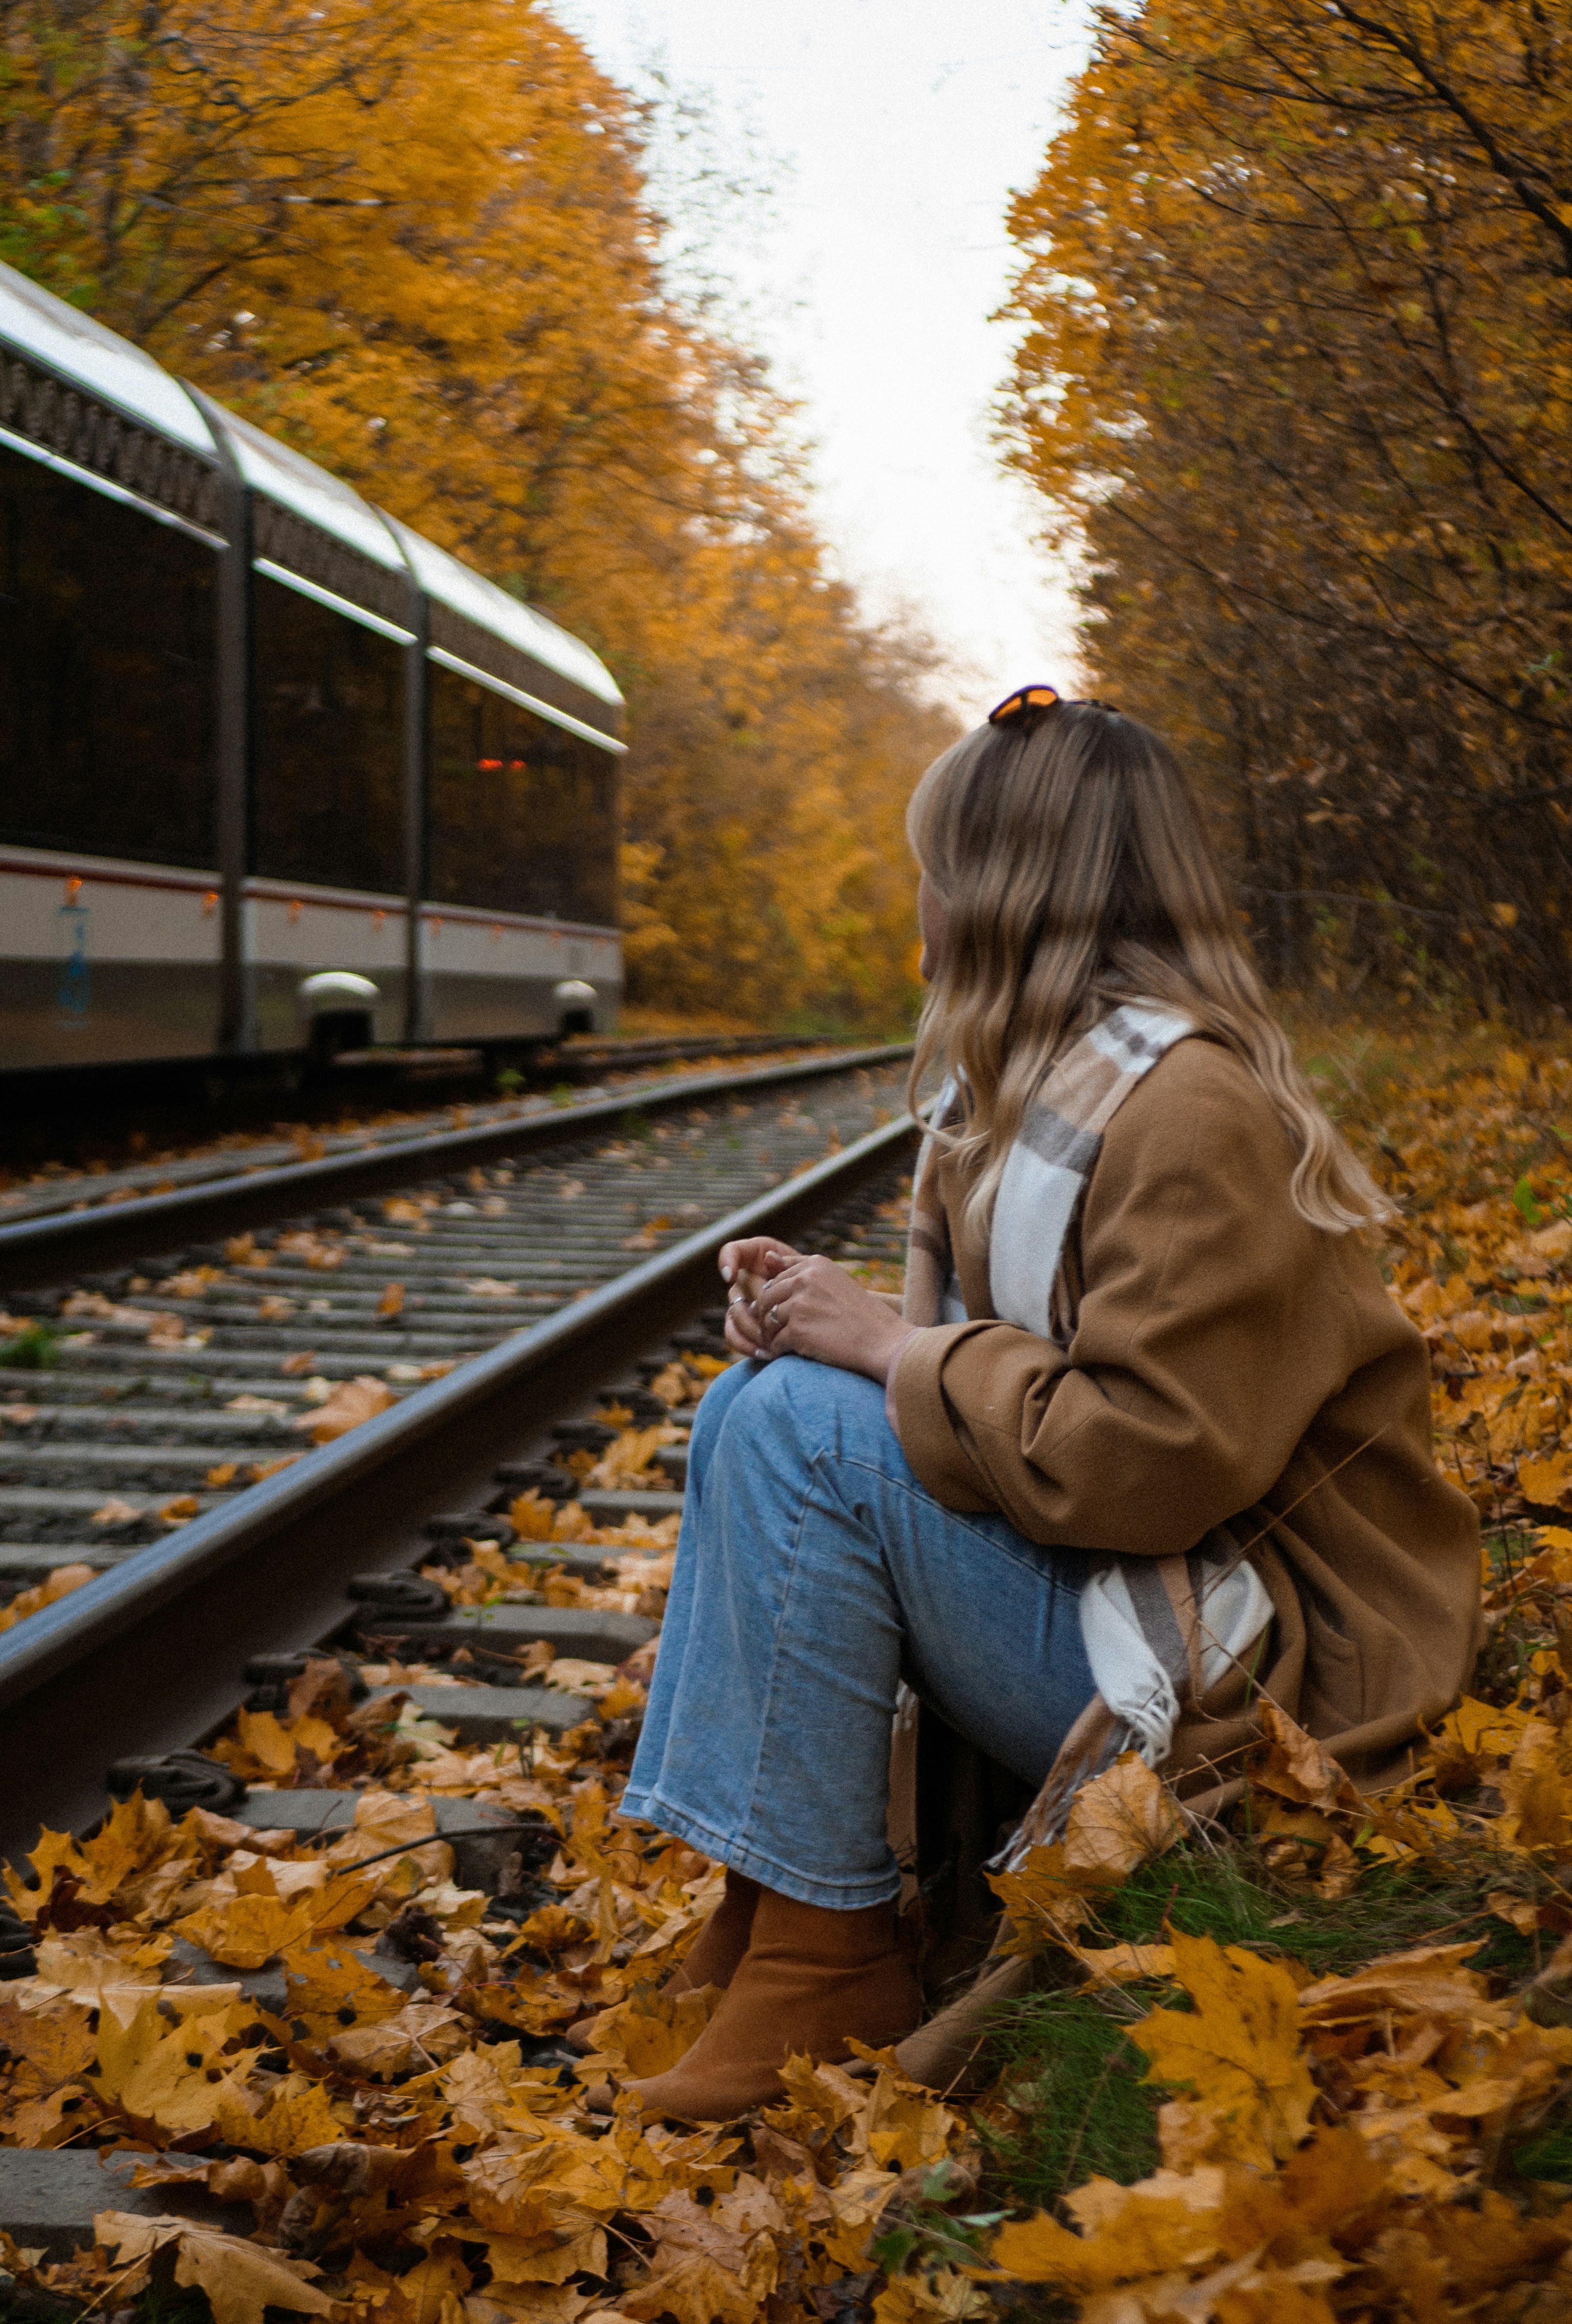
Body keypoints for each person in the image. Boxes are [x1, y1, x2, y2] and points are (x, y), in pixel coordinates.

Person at [609, 684, 1482, 2123]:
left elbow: (1144, 1461)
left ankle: (831, 1962)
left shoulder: (1188, 1109)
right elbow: (995, 1387)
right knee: (756, 1406)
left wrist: (887, 1352)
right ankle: (776, 1902)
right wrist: (826, 1331)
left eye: (932, 869)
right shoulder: (1024, 1100)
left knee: (798, 1429)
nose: (920, 903)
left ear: (1004, 891)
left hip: (1274, 1674)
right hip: (1159, 1604)